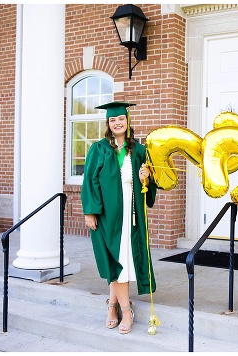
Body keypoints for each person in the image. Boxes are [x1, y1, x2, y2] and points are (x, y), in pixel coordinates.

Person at [80, 101, 158, 334]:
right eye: (113, 120)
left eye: (121, 119)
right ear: (108, 124)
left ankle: (112, 306)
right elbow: (90, 180)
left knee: (123, 259)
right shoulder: (99, 149)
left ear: (128, 121)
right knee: (115, 259)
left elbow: (148, 188)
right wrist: (90, 211)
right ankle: (127, 310)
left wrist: (146, 178)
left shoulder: (140, 150)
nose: (117, 123)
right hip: (107, 215)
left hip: (131, 215)